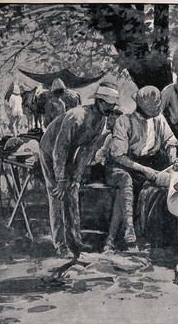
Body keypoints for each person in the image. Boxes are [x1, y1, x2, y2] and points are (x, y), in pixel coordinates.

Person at [39, 82, 119, 258]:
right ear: (98, 101)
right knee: (57, 196)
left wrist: (75, 176)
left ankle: (74, 239)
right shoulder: (77, 117)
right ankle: (60, 245)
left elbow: (87, 151)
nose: (110, 107)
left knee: (73, 192)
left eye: (112, 104)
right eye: (106, 103)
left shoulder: (101, 121)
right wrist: (60, 180)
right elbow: (60, 148)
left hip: (68, 153)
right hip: (49, 150)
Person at [105, 86, 178, 250]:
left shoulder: (159, 119)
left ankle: (146, 235)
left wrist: (173, 158)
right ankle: (128, 228)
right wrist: (143, 170)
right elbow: (118, 155)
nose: (152, 114)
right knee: (125, 183)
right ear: (139, 105)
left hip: (149, 165)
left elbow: (170, 141)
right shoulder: (124, 121)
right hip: (124, 165)